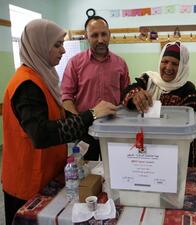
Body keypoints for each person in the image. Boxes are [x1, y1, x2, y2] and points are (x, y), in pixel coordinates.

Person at [1, 19, 117, 225]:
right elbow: (42, 134)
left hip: (47, 174)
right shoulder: (26, 85)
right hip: (26, 182)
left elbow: (60, 117)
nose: (63, 50)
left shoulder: (43, 78)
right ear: (38, 45)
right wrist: (91, 114)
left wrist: (94, 122)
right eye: (57, 45)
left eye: (62, 44)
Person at [61, 15, 130, 161]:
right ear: (86, 36)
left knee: (115, 171)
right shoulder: (75, 63)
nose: (100, 40)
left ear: (109, 34)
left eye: (104, 34)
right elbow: (66, 97)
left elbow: (126, 96)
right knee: (86, 175)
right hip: (85, 131)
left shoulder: (121, 64)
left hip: (114, 130)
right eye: (94, 35)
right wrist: (78, 123)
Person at [122, 41, 196, 167]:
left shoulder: (188, 89)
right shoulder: (148, 80)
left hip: (175, 151)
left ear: (182, 66)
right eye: (165, 61)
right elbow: (126, 92)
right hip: (148, 147)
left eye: (175, 63)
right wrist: (135, 95)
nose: (168, 67)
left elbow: (190, 120)